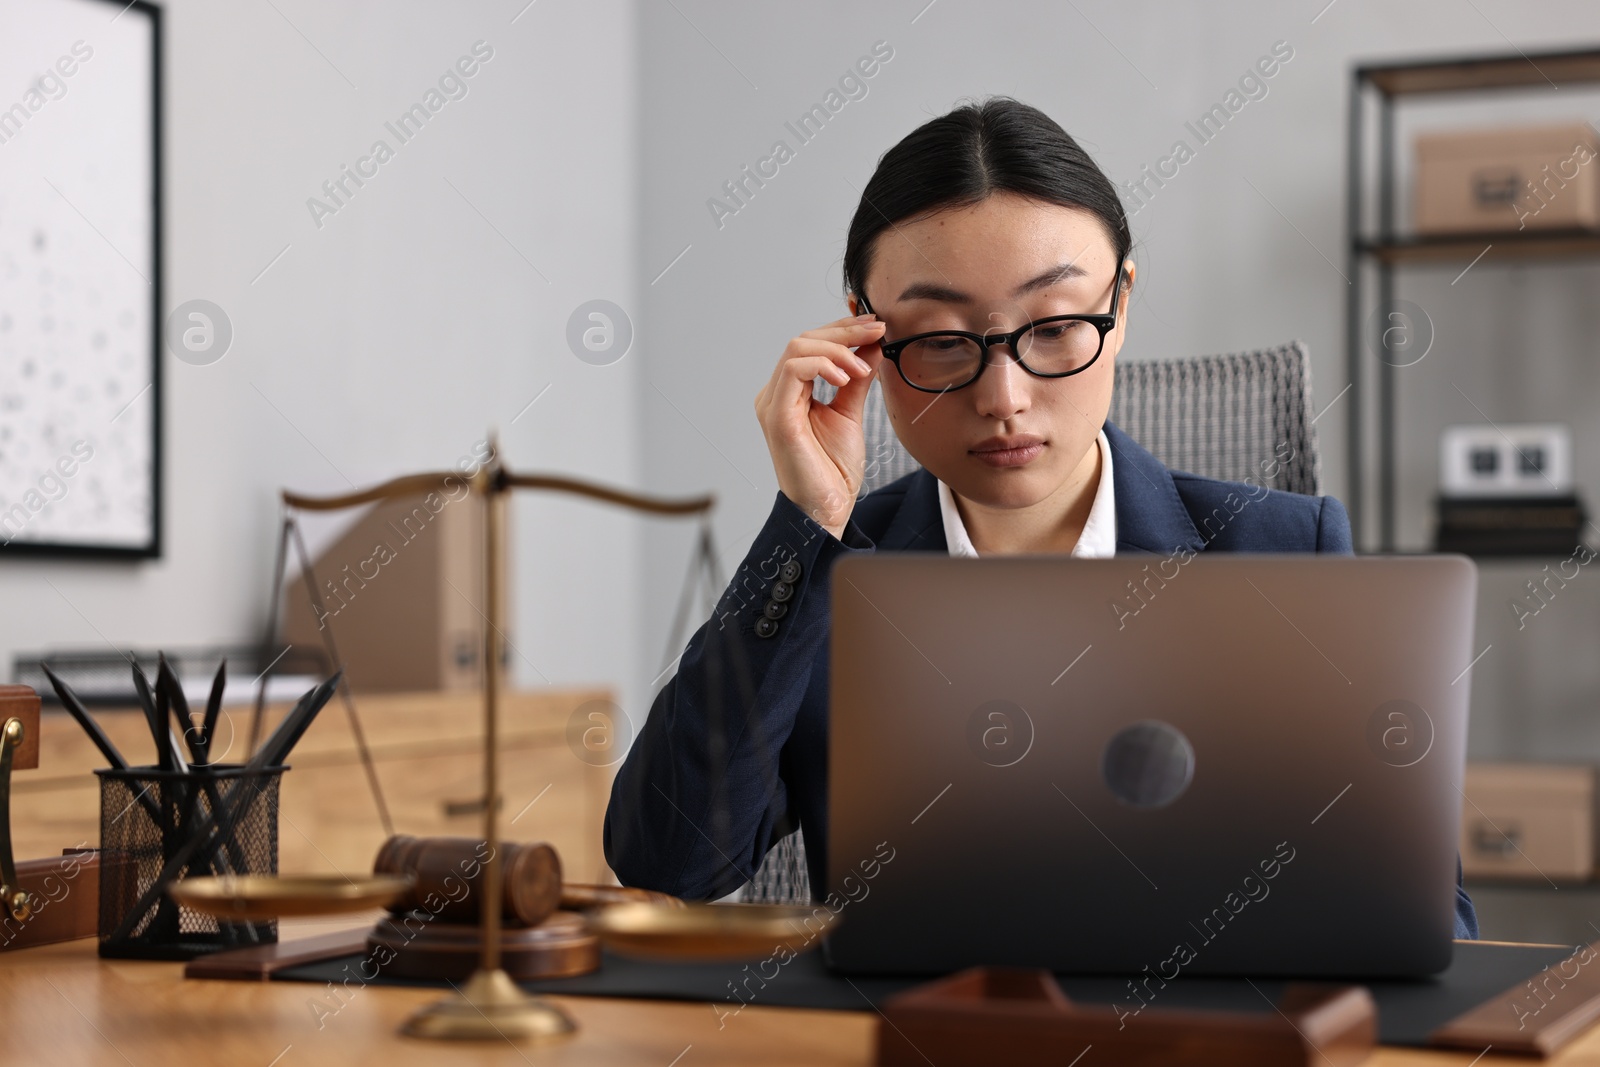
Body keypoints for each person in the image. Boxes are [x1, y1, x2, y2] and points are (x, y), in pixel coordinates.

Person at [605, 97, 1478, 940]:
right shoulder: (828, 574)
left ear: (1121, 303)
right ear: (865, 337)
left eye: (1056, 327)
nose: (1004, 399)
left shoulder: (1286, 554)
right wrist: (807, 521)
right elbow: (668, 863)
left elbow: (1426, 919)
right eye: (943, 341)